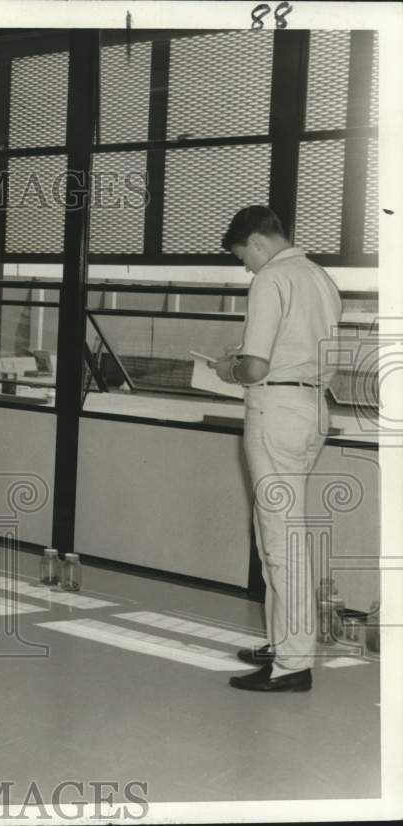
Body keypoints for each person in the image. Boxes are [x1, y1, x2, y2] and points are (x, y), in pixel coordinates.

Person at [214, 205, 342, 693]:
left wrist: (229, 368)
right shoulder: (320, 278)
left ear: (259, 243)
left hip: (275, 410)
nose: (245, 265)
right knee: (282, 534)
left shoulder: (271, 279)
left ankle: (292, 663)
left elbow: (254, 368)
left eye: (242, 255)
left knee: (279, 538)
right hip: (312, 410)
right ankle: (283, 642)